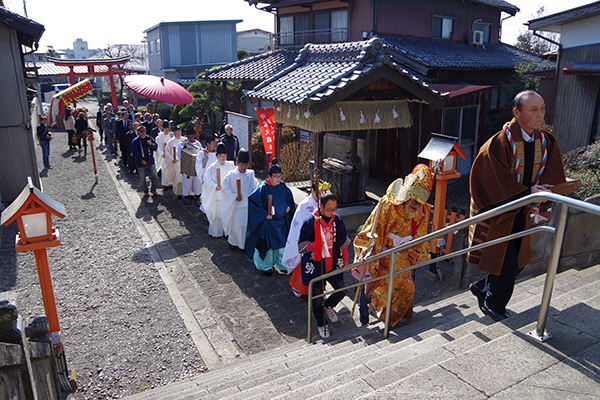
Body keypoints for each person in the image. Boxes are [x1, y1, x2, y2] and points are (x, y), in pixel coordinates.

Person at [468, 90, 567, 321]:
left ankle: (482, 288)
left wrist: (548, 192)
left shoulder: (546, 141)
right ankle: (493, 303)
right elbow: (490, 180)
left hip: (523, 211)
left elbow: (552, 174)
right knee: (505, 261)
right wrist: (526, 192)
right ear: (516, 112)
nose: (540, 114)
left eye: (542, 108)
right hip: (500, 211)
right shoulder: (498, 143)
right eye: (533, 109)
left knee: (519, 261)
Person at [354, 164, 434, 326]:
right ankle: (369, 311)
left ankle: (391, 317)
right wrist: (369, 249)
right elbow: (375, 226)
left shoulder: (423, 210)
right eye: (413, 201)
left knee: (406, 287)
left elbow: (420, 232)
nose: (416, 206)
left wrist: (414, 253)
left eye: (419, 203)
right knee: (374, 281)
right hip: (383, 248)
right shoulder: (388, 203)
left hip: (403, 251)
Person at [299, 193, 350, 339]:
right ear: (320, 206)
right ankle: (322, 324)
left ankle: (329, 306)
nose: (331, 212)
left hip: (333, 262)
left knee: (342, 290)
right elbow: (301, 246)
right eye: (328, 209)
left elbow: (343, 243)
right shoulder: (310, 222)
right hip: (316, 264)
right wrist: (317, 245)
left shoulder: (337, 221)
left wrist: (345, 260)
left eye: (334, 209)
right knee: (316, 299)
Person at [245, 159, 296, 275]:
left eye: (280, 176)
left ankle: (282, 265)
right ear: (269, 176)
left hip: (281, 222)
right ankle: (265, 266)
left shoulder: (282, 186)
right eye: (275, 176)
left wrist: (288, 205)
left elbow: (289, 198)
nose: (278, 179)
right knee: (268, 247)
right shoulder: (262, 188)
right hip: (268, 223)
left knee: (282, 245)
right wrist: (263, 214)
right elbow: (253, 203)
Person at [282, 179, 321, 298]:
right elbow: (299, 224)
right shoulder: (305, 205)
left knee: (319, 265)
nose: (321, 195)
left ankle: (319, 288)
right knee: (303, 263)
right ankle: (298, 287)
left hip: (318, 238)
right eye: (319, 192)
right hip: (306, 238)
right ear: (312, 191)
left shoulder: (322, 203)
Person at [220, 149, 258, 250]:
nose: (244, 168)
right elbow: (225, 188)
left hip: (247, 206)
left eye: (246, 165)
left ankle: (245, 244)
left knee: (245, 226)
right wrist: (234, 196)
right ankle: (234, 242)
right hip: (236, 206)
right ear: (237, 163)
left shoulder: (250, 174)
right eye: (242, 165)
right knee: (236, 226)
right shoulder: (231, 175)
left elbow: (255, 187)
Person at [202, 143, 236, 237]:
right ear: (216, 156)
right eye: (220, 156)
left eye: (224, 156)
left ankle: (227, 232)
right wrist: (214, 186)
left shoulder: (230, 166)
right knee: (217, 214)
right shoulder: (212, 167)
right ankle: (216, 233)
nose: (222, 158)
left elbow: (234, 179)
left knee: (227, 214)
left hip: (227, 194)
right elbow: (207, 181)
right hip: (216, 194)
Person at [177, 127, 204, 201]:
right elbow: (179, 154)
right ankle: (186, 196)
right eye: (189, 137)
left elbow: (201, 154)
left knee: (197, 182)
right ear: (186, 136)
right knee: (187, 181)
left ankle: (197, 195)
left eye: (192, 137)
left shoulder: (197, 143)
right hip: (187, 165)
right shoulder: (182, 143)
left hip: (195, 165)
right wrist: (184, 147)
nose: (191, 139)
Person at [131, 126, 158, 196]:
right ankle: (145, 190)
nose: (143, 132)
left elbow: (155, 147)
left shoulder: (149, 138)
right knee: (142, 178)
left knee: (154, 175)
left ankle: (153, 189)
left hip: (150, 161)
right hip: (140, 163)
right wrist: (141, 160)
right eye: (141, 131)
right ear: (138, 132)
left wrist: (151, 144)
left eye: (144, 131)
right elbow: (135, 153)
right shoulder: (135, 141)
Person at [162, 126, 183, 196]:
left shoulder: (185, 140)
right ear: (173, 133)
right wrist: (171, 159)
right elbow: (167, 152)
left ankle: (185, 193)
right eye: (176, 132)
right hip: (175, 163)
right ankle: (178, 193)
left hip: (183, 163)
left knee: (183, 179)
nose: (178, 134)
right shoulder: (171, 142)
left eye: (179, 132)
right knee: (177, 178)